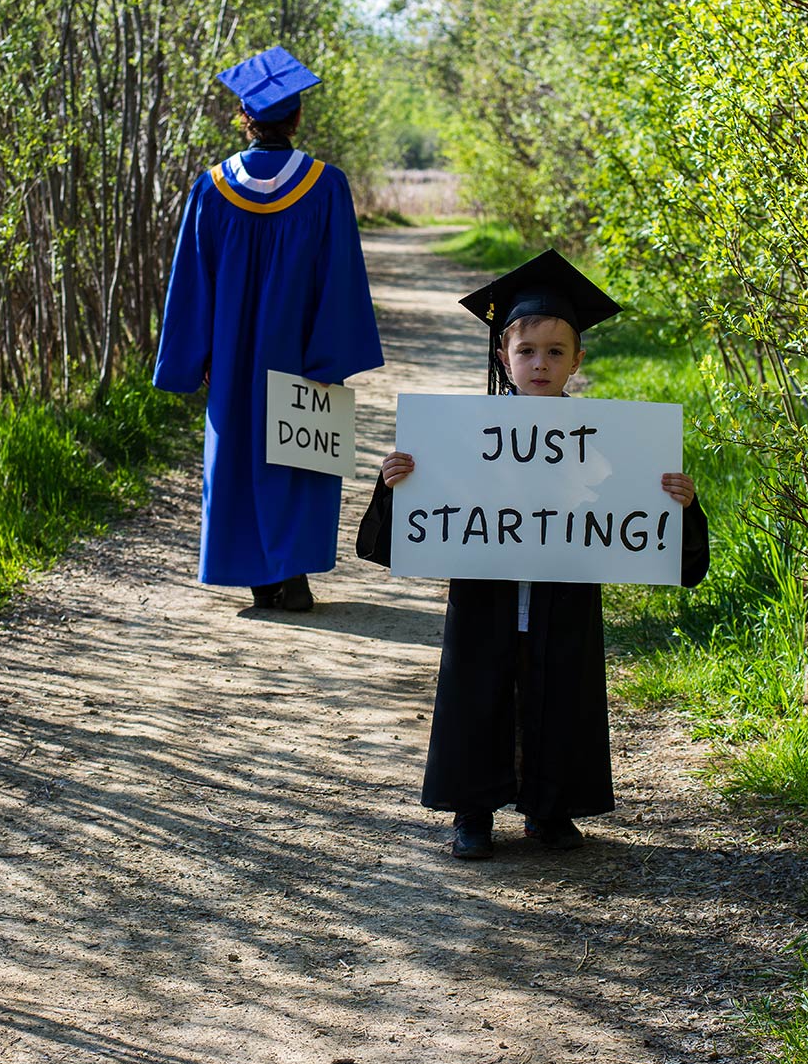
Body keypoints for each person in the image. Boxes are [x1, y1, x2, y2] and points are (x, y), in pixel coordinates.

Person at [357, 249, 709, 859]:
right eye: (526, 351)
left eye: (555, 352)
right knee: (478, 689)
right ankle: (474, 811)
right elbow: (407, 532)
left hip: (563, 591)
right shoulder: (461, 434)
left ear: (577, 359)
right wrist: (396, 484)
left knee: (560, 691)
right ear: (504, 357)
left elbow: (646, 532)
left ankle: (549, 810)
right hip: (486, 591)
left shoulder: (612, 439)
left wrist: (680, 504)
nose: (540, 364)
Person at [154, 45, 383, 611]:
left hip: (233, 356)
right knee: (299, 454)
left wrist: (197, 355)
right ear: (297, 118)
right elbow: (341, 279)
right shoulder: (326, 185)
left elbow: (192, 282)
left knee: (235, 453)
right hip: (300, 350)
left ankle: (261, 579)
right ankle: (294, 572)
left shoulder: (211, 188)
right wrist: (330, 357)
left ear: (244, 117)